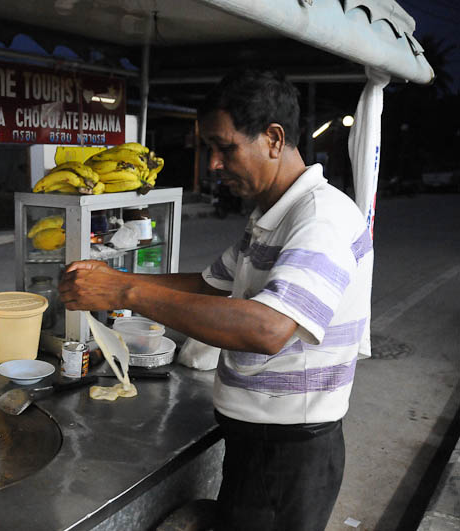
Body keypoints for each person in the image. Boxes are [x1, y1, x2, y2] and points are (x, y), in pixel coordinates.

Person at [58, 69, 373, 531]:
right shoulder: (271, 216)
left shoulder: (321, 218)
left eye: (225, 148)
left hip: (288, 451)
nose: (213, 165)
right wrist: (114, 276)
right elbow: (210, 286)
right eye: (209, 149)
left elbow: (266, 329)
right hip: (259, 442)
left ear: (273, 138)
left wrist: (124, 292)